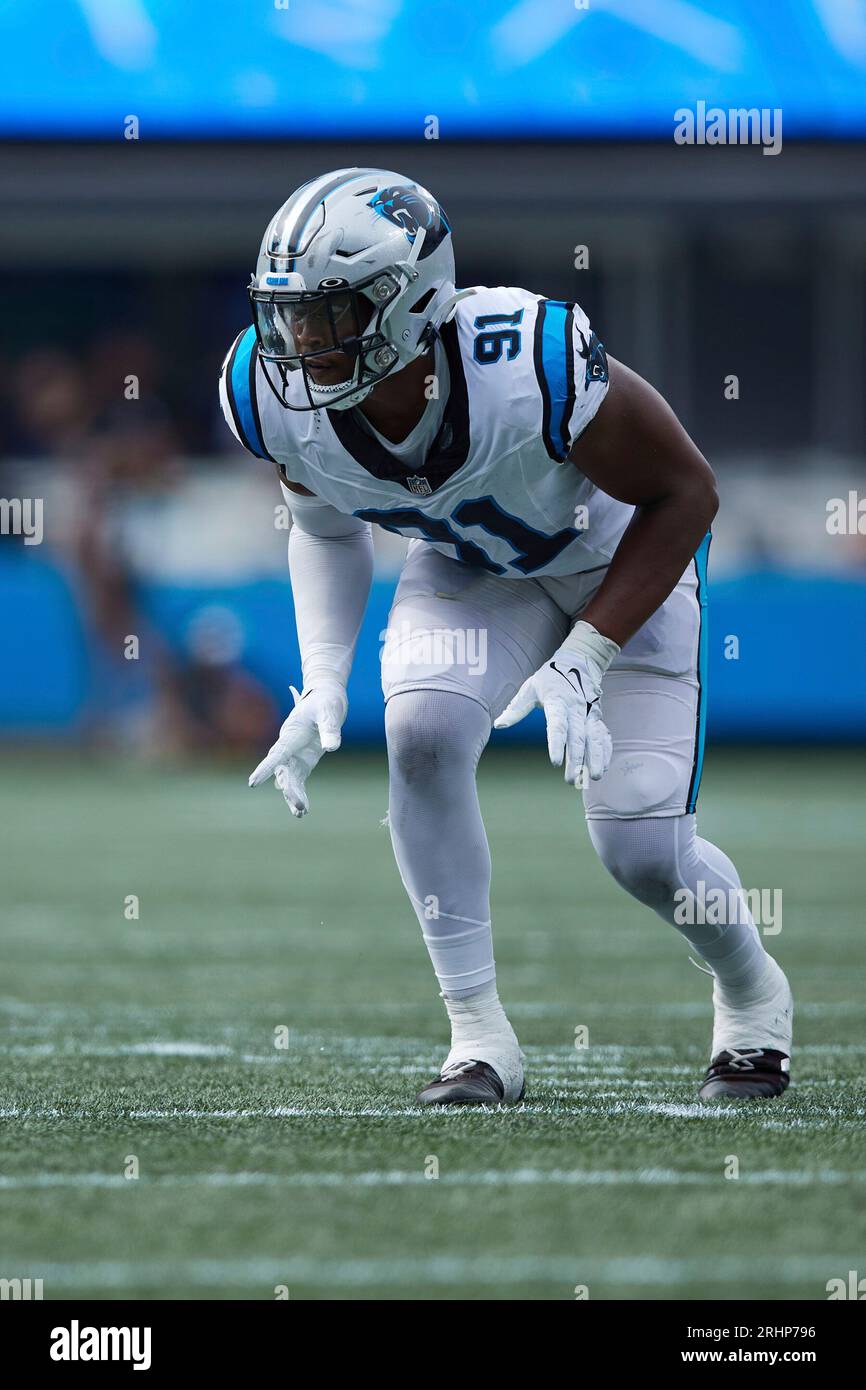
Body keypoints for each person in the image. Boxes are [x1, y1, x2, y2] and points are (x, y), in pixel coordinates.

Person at [219, 167, 792, 1105]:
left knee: (642, 848)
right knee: (422, 734)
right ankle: (478, 1039)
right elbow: (324, 529)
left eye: (330, 315)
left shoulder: (526, 358)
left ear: (413, 303)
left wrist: (590, 654)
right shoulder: (268, 391)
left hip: (614, 562)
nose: (300, 344)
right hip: (475, 570)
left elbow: (687, 491)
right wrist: (323, 677)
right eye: (287, 315)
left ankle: (752, 991)